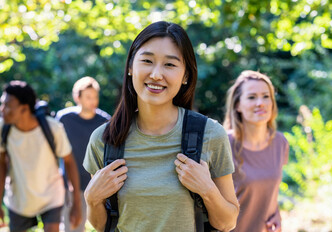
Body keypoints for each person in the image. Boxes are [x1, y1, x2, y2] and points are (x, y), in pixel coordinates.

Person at [82, 21, 240, 232]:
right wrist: (91, 199)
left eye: (170, 64)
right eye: (147, 61)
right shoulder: (104, 139)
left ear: (185, 75)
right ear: (130, 67)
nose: (156, 74)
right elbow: (103, 225)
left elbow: (227, 222)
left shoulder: (210, 134)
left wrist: (207, 189)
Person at [0, 80, 82, 232]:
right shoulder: (1, 127)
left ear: (24, 109)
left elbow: (69, 162)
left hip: (51, 197)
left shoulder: (52, 128)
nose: (1, 109)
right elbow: (0, 164)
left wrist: (76, 204)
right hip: (19, 199)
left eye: (7, 106)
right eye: (2, 104)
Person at [223, 71, 289, 232]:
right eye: (252, 97)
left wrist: (277, 213)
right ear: (238, 105)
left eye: (266, 96)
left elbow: (269, 188)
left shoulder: (280, 142)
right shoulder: (222, 144)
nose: (260, 103)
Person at [56, 76, 110, 232]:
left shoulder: (105, 121)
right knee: (72, 228)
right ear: (77, 97)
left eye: (95, 96)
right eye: (88, 97)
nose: (93, 101)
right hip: (71, 186)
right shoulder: (64, 119)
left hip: (98, 185)